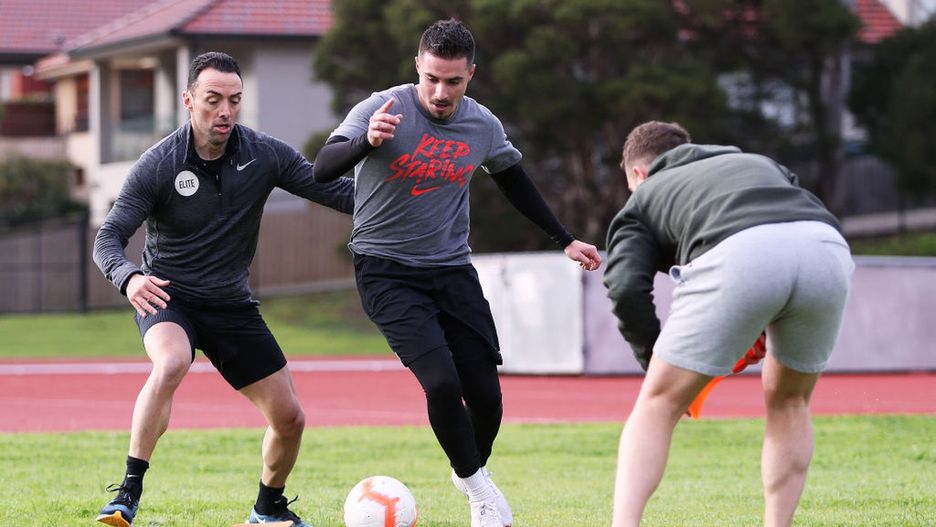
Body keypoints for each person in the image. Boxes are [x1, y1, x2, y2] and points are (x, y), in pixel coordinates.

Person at [313, 19, 601, 527]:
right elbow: (323, 167)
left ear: (471, 75)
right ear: (417, 68)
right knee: (443, 384)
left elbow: (514, 181)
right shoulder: (382, 108)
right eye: (431, 79)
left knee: (487, 398)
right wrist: (367, 142)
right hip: (385, 270)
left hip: (451, 270)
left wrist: (564, 238)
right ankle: (479, 492)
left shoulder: (482, 125)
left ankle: (467, 469)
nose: (441, 92)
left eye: (453, 81)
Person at [92, 51, 354, 527]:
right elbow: (108, 237)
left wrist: (405, 190)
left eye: (234, 100)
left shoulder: (265, 154)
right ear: (188, 101)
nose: (225, 111)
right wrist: (129, 277)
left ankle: (268, 510)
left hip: (231, 305)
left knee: (290, 419)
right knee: (172, 362)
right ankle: (126, 494)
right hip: (168, 296)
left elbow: (335, 191)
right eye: (213, 100)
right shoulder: (158, 165)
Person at [603, 121, 854, 527]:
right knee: (790, 402)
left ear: (637, 172)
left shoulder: (645, 195)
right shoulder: (758, 162)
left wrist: (653, 360)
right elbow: (783, 231)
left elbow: (625, 286)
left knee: (658, 403)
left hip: (739, 252)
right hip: (825, 245)